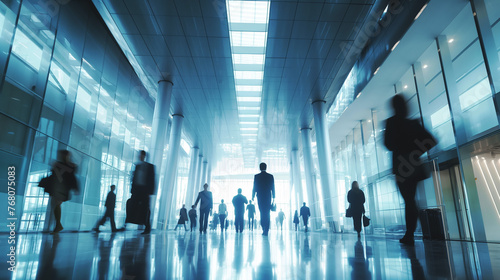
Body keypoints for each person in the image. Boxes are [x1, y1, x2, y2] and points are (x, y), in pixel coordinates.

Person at [384, 94, 437, 245]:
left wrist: (403, 149)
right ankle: (415, 231)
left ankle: (410, 233)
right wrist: (415, 152)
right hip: (413, 165)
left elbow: (388, 144)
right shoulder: (412, 124)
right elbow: (431, 140)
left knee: (408, 200)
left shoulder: (392, 122)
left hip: (402, 166)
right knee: (411, 200)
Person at [125, 150, 156, 234]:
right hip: (137, 190)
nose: (140, 157)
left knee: (145, 209)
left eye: (141, 155)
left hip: (145, 191)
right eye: (139, 155)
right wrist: (132, 190)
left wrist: (150, 191)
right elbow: (134, 179)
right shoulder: (137, 166)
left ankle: (147, 226)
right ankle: (128, 222)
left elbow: (152, 180)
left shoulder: (150, 167)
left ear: (144, 156)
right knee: (131, 205)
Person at [48, 150, 79, 233]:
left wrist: (75, 188)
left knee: (57, 204)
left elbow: (72, 176)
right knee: (55, 205)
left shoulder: (69, 165)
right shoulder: (61, 164)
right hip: (57, 187)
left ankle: (58, 225)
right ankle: (57, 225)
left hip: (63, 188)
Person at [252, 162, 276, 236]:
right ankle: (266, 229)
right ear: (266, 167)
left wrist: (253, 196)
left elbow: (254, 186)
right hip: (268, 196)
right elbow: (273, 187)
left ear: (260, 168)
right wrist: (274, 196)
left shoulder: (256, 176)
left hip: (260, 197)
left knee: (262, 212)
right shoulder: (270, 176)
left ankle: (263, 227)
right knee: (267, 213)